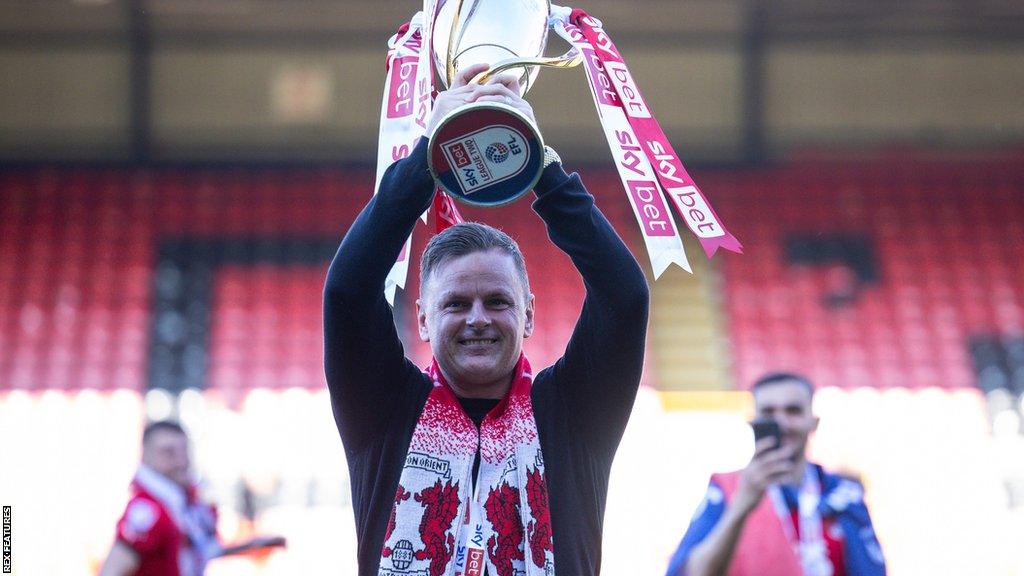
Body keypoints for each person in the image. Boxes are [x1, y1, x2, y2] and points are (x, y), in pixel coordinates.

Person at [324, 62, 650, 576]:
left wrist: (534, 157)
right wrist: (432, 148)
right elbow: (347, 290)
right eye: (455, 304)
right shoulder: (382, 406)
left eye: (497, 301)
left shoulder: (573, 412)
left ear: (529, 315)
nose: (478, 319)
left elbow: (625, 296)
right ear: (424, 319)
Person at [665, 373, 886, 576]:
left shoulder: (843, 494)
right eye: (768, 412)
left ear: (814, 422)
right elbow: (691, 573)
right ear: (752, 423)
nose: (781, 422)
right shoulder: (727, 489)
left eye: (793, 411)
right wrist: (741, 506)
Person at [99, 420, 286, 576]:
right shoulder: (148, 510)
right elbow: (113, 569)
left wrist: (253, 545)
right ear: (146, 456)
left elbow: (200, 552)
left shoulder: (182, 503)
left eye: (184, 451)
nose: (181, 461)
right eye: (168, 453)